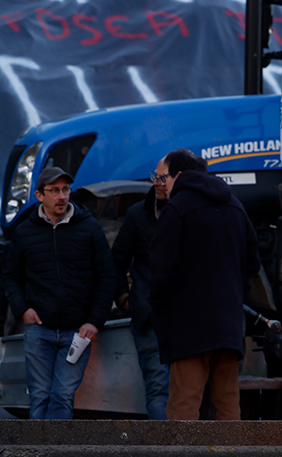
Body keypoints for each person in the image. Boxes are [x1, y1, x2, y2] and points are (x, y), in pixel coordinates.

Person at [149, 148, 260, 420]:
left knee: (183, 406)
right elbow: (252, 266)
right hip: (229, 327)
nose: (161, 184)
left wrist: (161, 310)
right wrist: (235, 301)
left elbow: (161, 272)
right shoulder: (236, 206)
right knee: (227, 405)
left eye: (163, 178)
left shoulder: (176, 209)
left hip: (188, 329)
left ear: (178, 175)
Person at [2, 167, 116, 419]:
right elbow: (11, 276)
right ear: (39, 195)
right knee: (40, 396)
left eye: (66, 190)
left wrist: (94, 321)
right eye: (55, 191)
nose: (62, 196)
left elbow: (107, 277)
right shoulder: (25, 231)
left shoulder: (89, 229)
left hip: (77, 332)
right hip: (38, 329)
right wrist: (23, 310)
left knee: (63, 396)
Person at [110, 158, 171, 419]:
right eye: (154, 177)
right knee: (160, 390)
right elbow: (116, 262)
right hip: (150, 316)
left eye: (162, 178)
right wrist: (126, 298)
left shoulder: (181, 212)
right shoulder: (139, 214)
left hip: (181, 317)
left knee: (180, 392)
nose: (156, 183)